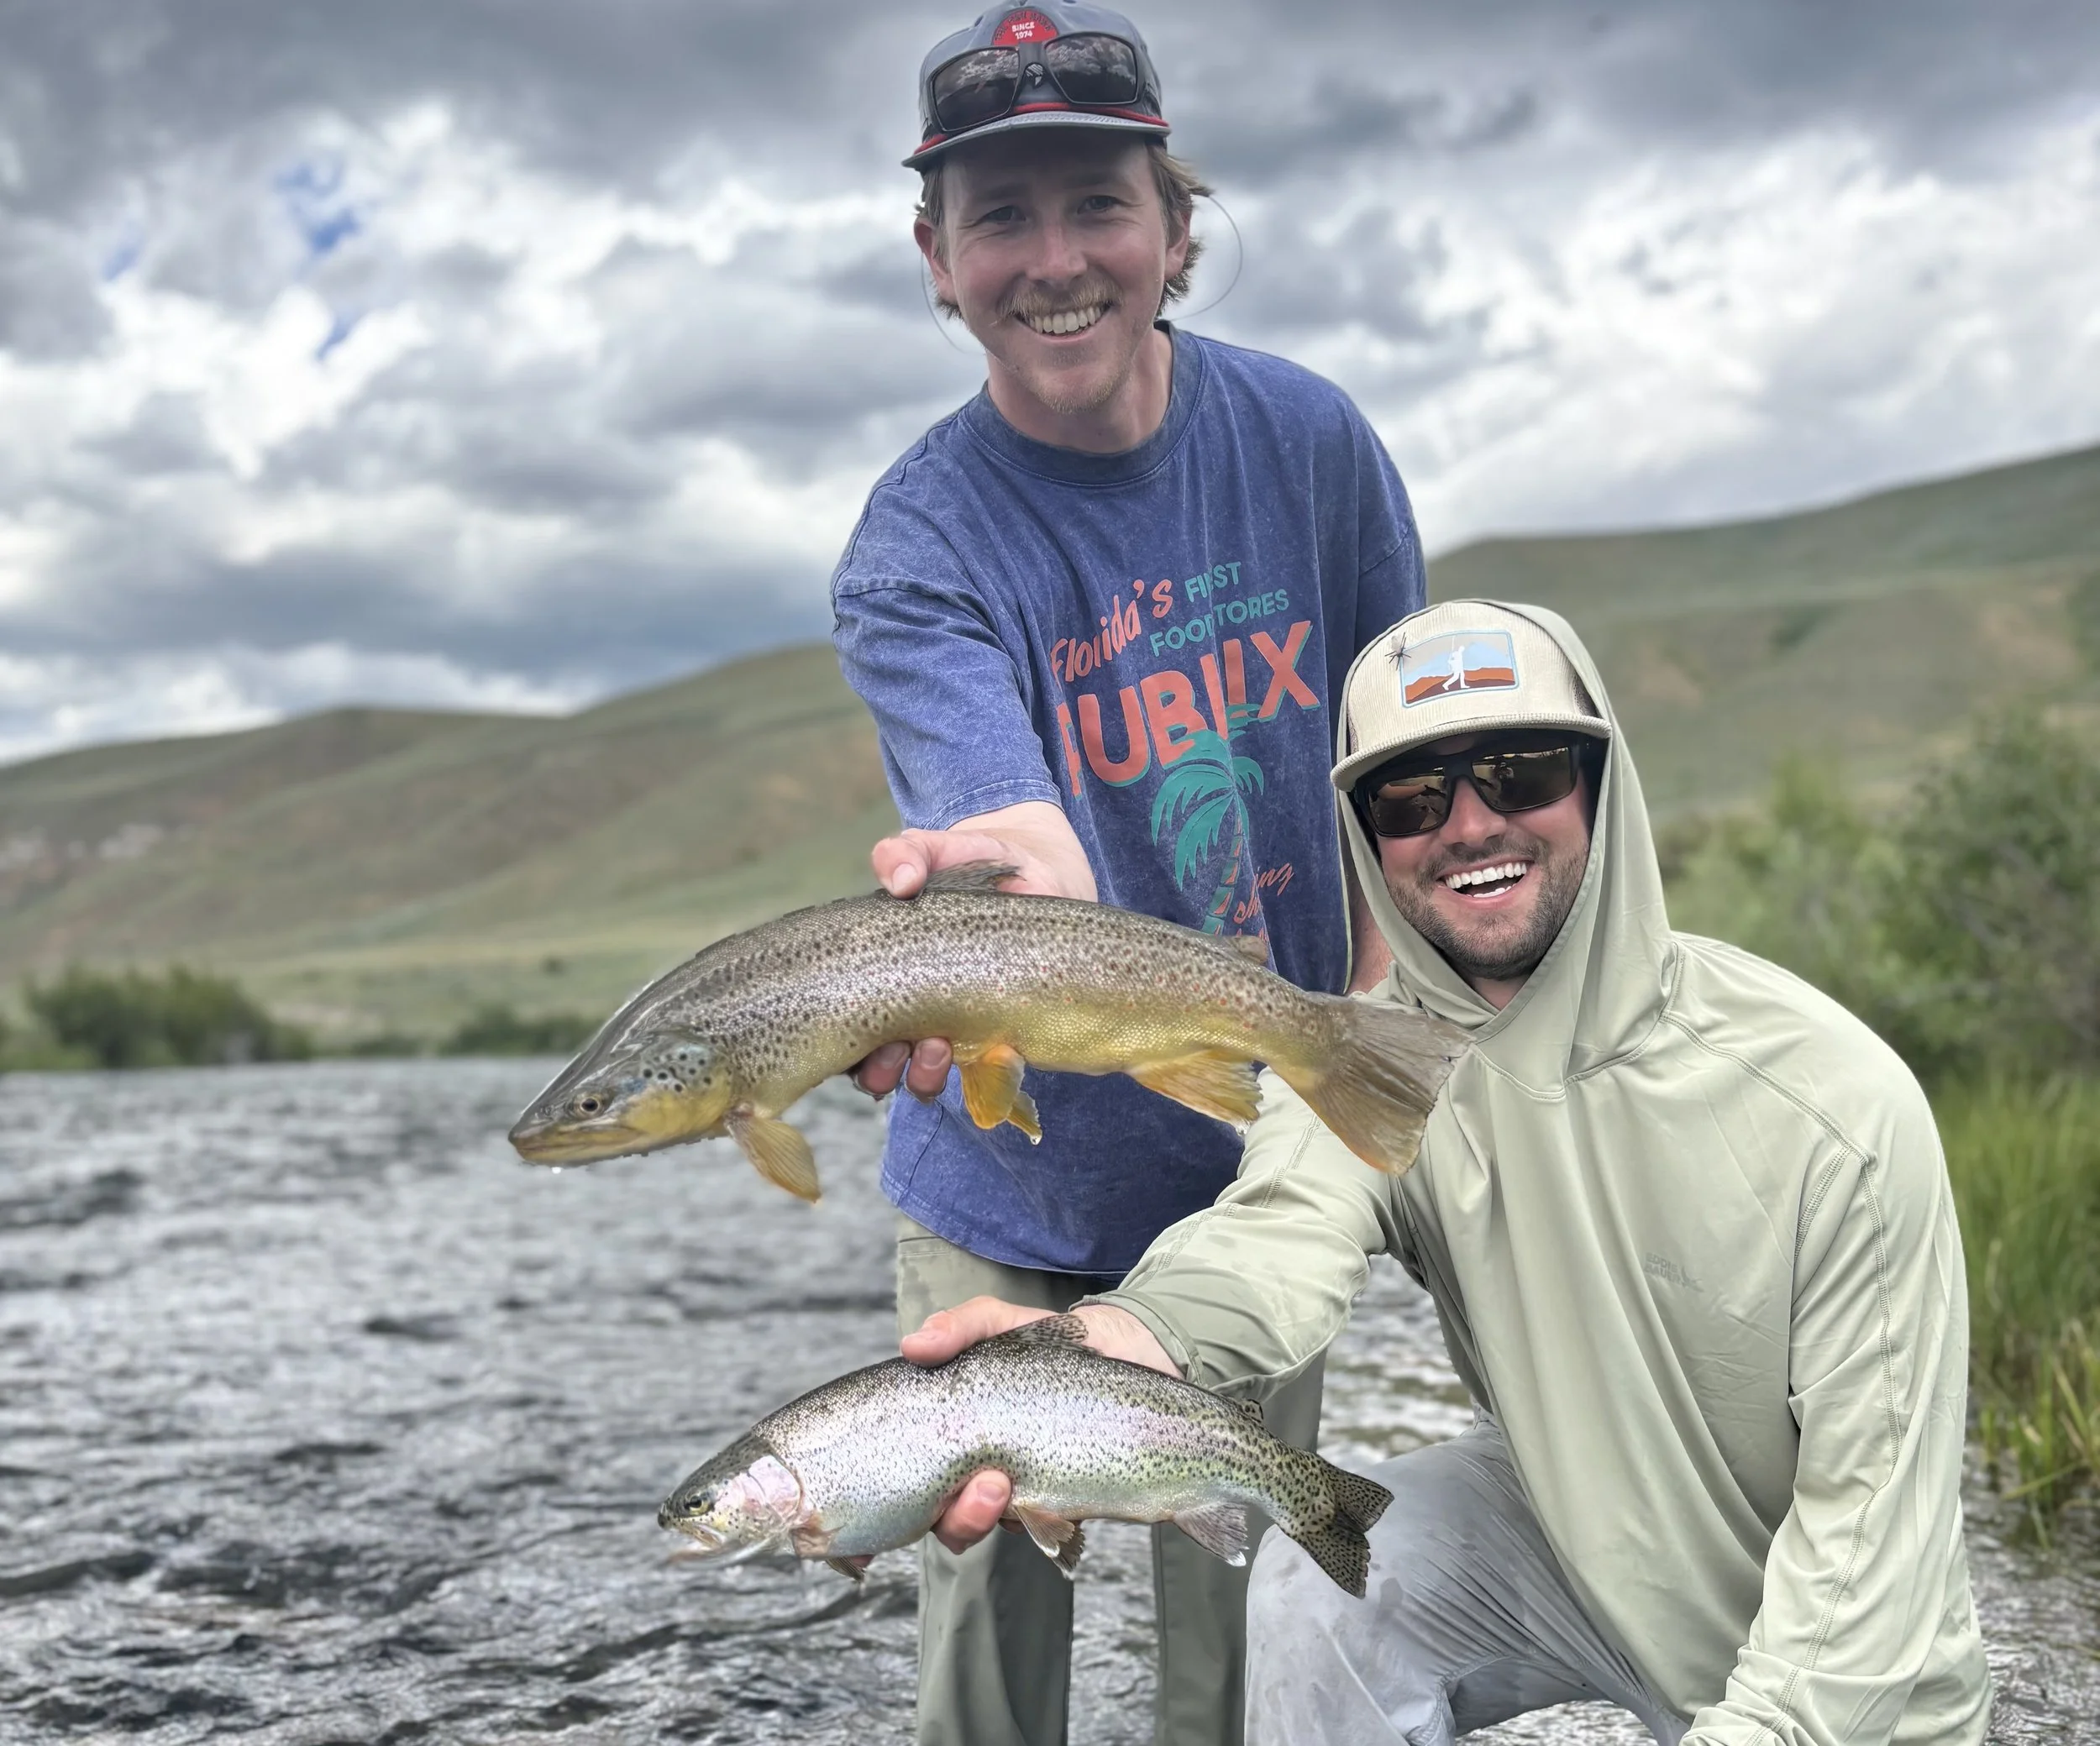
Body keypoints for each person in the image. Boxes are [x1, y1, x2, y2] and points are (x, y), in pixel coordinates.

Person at [909, 600, 1993, 1743]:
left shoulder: (1834, 1105)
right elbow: (1270, 1239)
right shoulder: (1374, 1062)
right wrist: (1107, 1346)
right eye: (1412, 796)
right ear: (1367, 833)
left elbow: (1868, 1551)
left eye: (1521, 773)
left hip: (1844, 1684)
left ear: (1598, 785)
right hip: (1567, 1551)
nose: (1469, 823)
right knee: (1321, 1577)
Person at [827, 3, 1427, 1740]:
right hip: (999, 1200)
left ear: (1173, 228)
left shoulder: (1309, 443)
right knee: (985, 1627)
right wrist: (1012, 888)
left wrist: (1350, 1081)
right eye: (997, 217)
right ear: (934, 260)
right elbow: (1014, 841)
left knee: (1229, 1618)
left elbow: (1392, 772)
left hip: (1250, 1160)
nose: (1054, 258)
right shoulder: (915, 545)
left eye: (1094, 200)